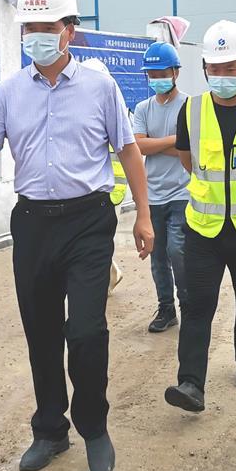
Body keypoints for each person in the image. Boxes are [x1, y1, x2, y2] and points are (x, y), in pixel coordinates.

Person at [0, 0, 154, 471]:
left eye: (46, 27)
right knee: (40, 331)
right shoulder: (8, 93)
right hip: (33, 224)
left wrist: (144, 216)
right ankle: (49, 430)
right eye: (29, 28)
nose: (36, 36)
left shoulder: (100, 87)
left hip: (88, 221)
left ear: (70, 31)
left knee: (86, 330)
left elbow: (128, 151)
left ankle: (94, 427)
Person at [163, 20, 236, 412]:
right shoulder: (191, 109)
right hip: (203, 228)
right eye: (215, 67)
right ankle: (191, 383)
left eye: (231, 67)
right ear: (205, 68)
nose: (222, 74)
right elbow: (187, 161)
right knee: (197, 304)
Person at [133, 41, 189, 333]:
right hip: (152, 194)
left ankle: (187, 303)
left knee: (178, 251)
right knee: (157, 257)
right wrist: (176, 140)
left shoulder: (190, 106)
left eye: (162, 74)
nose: (156, 79)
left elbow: (189, 151)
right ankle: (166, 308)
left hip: (183, 192)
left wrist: (155, 144)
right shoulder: (143, 108)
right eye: (152, 75)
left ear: (175, 72)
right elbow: (138, 146)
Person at [79, 57, 128, 297]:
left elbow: (129, 153)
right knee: (90, 241)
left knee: (97, 241)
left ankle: (105, 281)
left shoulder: (113, 111)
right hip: (96, 190)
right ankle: (110, 276)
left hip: (109, 191)